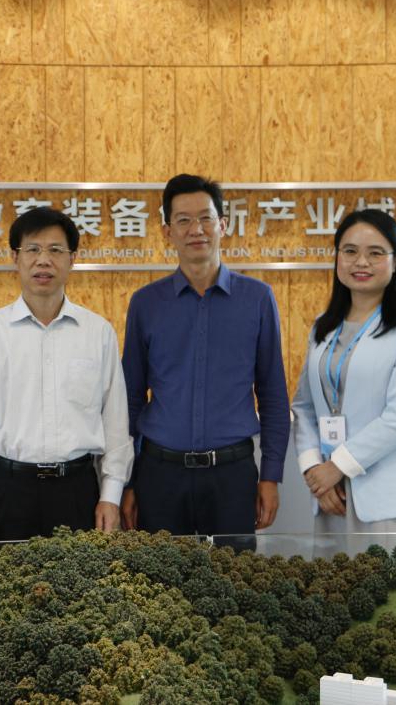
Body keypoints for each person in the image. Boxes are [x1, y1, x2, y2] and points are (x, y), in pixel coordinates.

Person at [0, 207, 133, 550]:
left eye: (55, 250)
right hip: (9, 490)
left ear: (72, 259)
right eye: (32, 249)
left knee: (82, 583)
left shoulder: (98, 332)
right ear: (15, 258)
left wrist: (111, 495)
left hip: (78, 490)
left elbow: (115, 422)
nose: (43, 260)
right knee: (7, 584)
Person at [121, 174, 289, 547]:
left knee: (234, 580)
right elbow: (130, 398)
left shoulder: (257, 299)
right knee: (159, 580)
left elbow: (273, 394)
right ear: (167, 231)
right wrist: (128, 481)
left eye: (205, 218)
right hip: (160, 475)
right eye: (183, 220)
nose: (196, 229)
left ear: (223, 224)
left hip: (232, 475)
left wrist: (270, 476)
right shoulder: (146, 304)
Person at [291, 209, 396, 556]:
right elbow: (304, 406)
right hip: (330, 499)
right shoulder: (324, 326)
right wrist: (314, 469)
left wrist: (337, 467)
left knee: (392, 591)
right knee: (332, 590)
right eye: (350, 251)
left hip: (386, 501)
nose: (361, 262)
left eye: (375, 253)